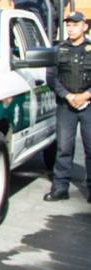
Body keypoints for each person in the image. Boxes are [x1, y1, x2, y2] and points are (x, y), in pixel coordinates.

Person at [44, 12, 91, 203]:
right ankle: (60, 187)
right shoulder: (58, 50)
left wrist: (86, 95)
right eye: (69, 25)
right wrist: (69, 96)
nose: (71, 28)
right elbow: (51, 77)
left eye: (75, 25)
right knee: (64, 148)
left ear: (84, 27)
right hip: (66, 105)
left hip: (88, 104)